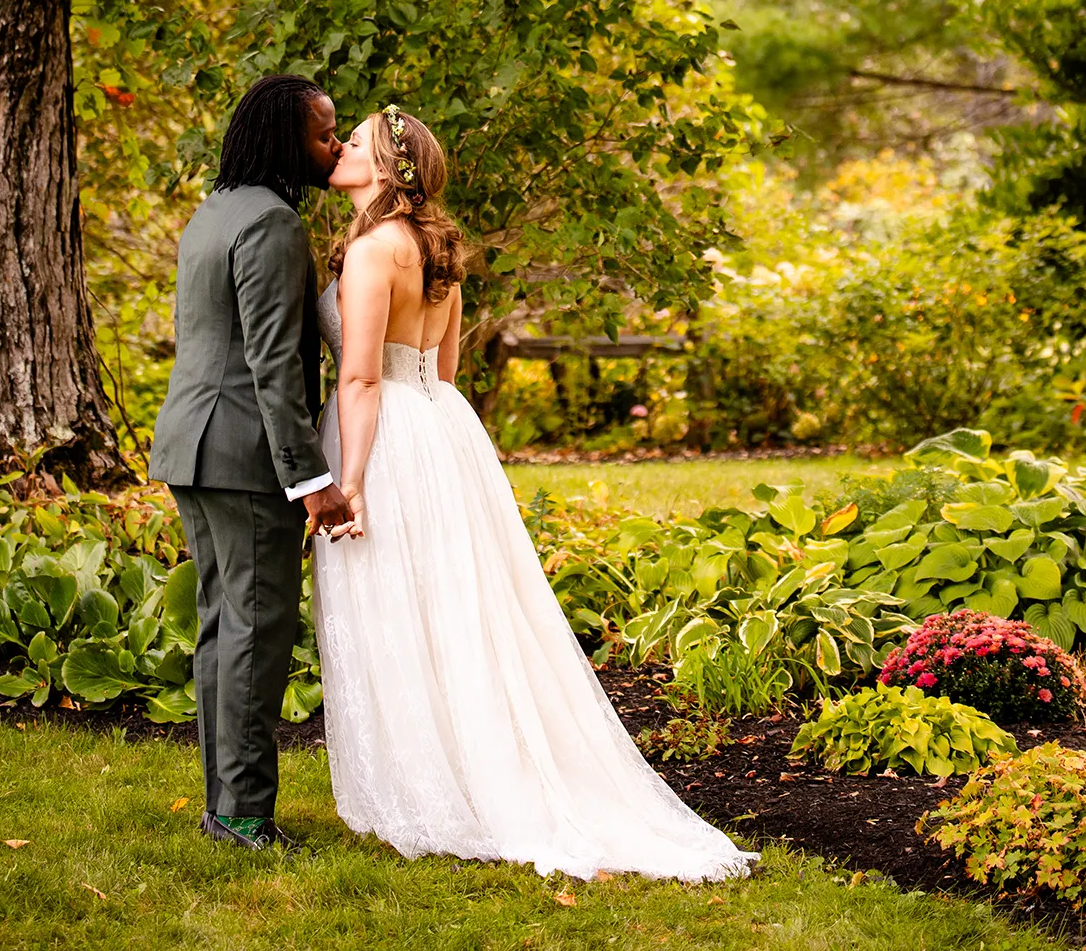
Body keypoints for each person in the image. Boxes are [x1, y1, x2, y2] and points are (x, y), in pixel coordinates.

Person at [311, 105, 755, 883]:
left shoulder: (375, 248)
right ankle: (464, 763)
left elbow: (360, 374)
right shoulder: (436, 248)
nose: (339, 151)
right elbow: (442, 369)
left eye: (353, 145)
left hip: (382, 436)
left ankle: (434, 783)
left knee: (396, 607)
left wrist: (350, 481)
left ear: (386, 167)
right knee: (458, 611)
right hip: (443, 431)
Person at [149, 73, 354, 849]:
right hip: (242, 458)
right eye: (323, 134)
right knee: (258, 630)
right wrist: (311, 479)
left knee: (224, 626)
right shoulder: (271, 224)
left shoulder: (215, 212)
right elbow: (273, 366)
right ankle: (241, 815)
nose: (333, 146)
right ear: (283, 139)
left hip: (193, 446)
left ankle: (224, 805)